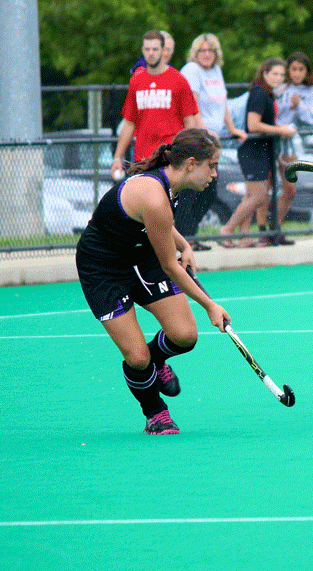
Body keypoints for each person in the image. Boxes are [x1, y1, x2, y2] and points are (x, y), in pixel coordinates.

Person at [76, 128, 230, 435]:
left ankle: (155, 362)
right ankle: (155, 412)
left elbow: (162, 225)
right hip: (103, 266)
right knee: (137, 356)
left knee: (185, 335)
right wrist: (210, 305)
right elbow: (170, 267)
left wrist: (185, 245)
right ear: (190, 164)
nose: (214, 173)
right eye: (210, 165)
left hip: (139, 255)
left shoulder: (168, 185)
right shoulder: (154, 193)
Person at [174, 33, 248, 249]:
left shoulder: (216, 71)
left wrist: (232, 128)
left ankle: (190, 236)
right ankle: (184, 238)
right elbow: (191, 105)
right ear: (195, 53)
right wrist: (204, 132)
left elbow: (222, 102)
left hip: (211, 141)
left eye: (210, 51)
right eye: (202, 51)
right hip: (197, 138)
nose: (207, 55)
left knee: (208, 191)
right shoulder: (191, 71)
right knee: (191, 190)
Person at [218, 58, 296, 248]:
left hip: (262, 151)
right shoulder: (259, 93)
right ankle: (227, 229)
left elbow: (264, 123)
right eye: (274, 74)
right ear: (264, 74)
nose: (278, 78)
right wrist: (281, 131)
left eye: (281, 75)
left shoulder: (267, 94)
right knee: (259, 197)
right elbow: (253, 125)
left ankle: (245, 236)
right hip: (253, 152)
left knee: (251, 196)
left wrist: (278, 126)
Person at [112, 30, 201, 182]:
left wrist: (187, 153)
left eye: (155, 49)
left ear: (163, 50)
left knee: (166, 203)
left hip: (170, 157)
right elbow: (129, 123)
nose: (151, 53)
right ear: (142, 51)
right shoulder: (136, 81)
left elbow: (189, 122)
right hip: (143, 159)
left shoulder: (178, 80)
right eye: (147, 49)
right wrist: (117, 157)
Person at [272, 51, 313, 241]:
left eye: (301, 69)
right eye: (293, 69)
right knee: (262, 189)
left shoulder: (312, 90)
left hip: (290, 144)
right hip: (272, 138)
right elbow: (271, 113)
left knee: (290, 188)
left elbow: (311, 119)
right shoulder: (279, 87)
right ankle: (263, 231)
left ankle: (275, 228)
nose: (297, 73)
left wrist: (299, 104)